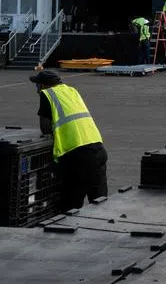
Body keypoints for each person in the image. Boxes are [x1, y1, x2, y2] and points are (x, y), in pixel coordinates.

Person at [31, 66, 108, 210]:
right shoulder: (72, 91)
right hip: (98, 150)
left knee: (69, 208)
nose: (37, 89)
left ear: (42, 85)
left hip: (79, 156)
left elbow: (45, 128)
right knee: (99, 207)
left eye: (37, 85)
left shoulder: (47, 94)